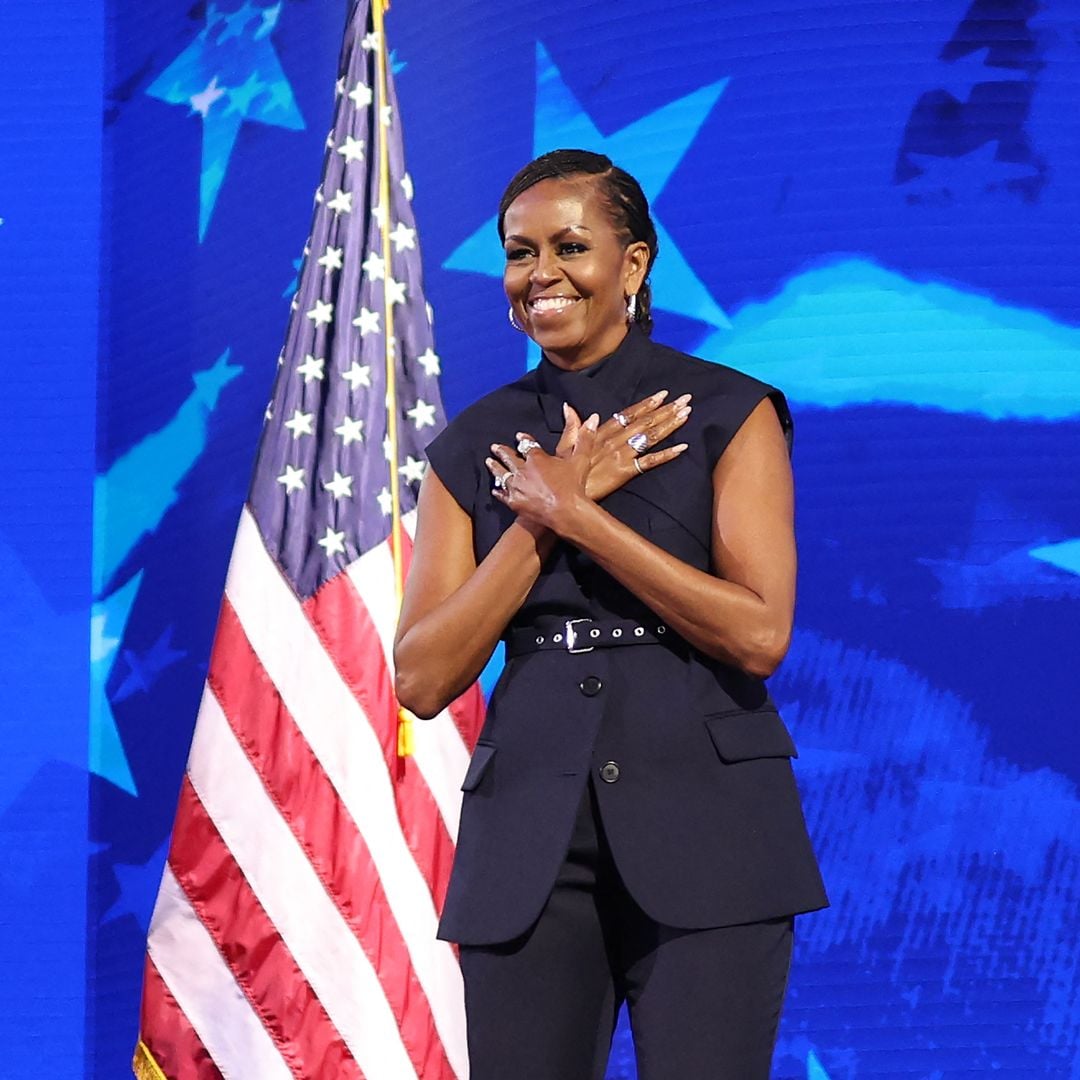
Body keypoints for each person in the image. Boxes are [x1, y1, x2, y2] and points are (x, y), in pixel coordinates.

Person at [394, 148, 828, 1079]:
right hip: (529, 847)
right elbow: (422, 677)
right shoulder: (470, 445)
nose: (539, 274)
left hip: (711, 821)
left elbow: (760, 635)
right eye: (519, 253)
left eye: (569, 246)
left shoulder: (726, 411)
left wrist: (581, 515)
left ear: (632, 265)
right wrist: (539, 523)